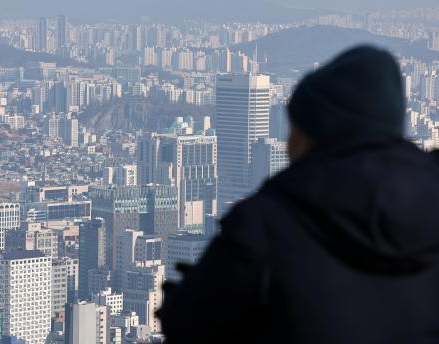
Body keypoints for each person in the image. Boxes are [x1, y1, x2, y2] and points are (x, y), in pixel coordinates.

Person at [156, 45, 439, 343]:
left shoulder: (268, 224)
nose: (285, 145)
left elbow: (189, 324)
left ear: (313, 136)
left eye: (293, 130)